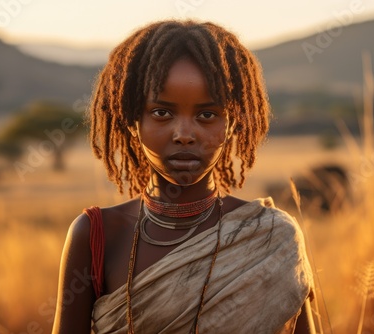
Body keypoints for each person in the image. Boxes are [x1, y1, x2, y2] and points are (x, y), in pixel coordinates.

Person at [52, 19, 313, 334]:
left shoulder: (273, 237)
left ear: (232, 125)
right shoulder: (96, 235)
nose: (185, 134)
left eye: (207, 114)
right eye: (162, 113)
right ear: (133, 122)